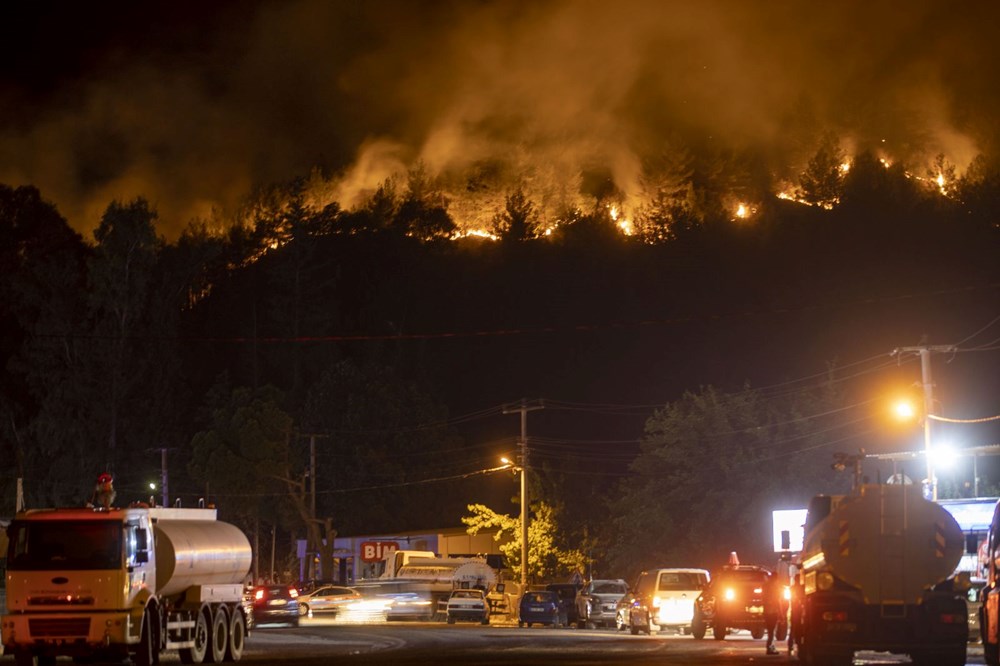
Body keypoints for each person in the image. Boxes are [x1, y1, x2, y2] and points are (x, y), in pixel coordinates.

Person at [763, 570, 784, 655]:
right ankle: (769, 647)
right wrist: (781, 613)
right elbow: (778, 601)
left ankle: (770, 646)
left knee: (770, 630)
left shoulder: (766, 586)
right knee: (772, 631)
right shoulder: (775, 588)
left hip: (767, 611)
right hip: (773, 612)